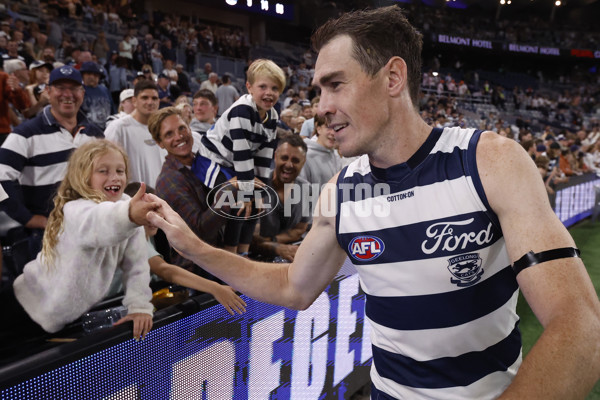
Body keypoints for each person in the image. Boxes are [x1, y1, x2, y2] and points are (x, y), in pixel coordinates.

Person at [146, 6, 600, 400]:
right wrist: (195, 247)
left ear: (393, 78)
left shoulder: (489, 162)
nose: (321, 106)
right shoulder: (342, 191)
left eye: (335, 84)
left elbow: (580, 323)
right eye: (319, 90)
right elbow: (293, 288)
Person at [2, 140, 156, 347]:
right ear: (83, 177)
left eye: (120, 170)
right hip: (22, 305)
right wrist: (130, 214)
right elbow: (101, 222)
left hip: (61, 318)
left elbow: (136, 266)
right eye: (103, 170)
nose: (115, 177)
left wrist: (139, 307)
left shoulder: (127, 210)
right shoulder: (77, 210)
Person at [0, 65, 103, 258]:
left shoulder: (95, 134)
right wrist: (28, 218)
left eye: (73, 88)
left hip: (90, 230)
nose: (67, 94)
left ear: (82, 92)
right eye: (60, 88)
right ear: (48, 91)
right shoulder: (25, 134)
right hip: (47, 237)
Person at [193, 59, 285, 255]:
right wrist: (246, 193)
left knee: (256, 204)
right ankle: (230, 258)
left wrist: (260, 193)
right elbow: (242, 154)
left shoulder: (274, 116)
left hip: (235, 164)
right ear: (249, 87)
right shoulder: (242, 110)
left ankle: (243, 255)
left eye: (275, 88)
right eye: (263, 86)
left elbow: (263, 158)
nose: (269, 93)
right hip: (212, 159)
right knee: (237, 201)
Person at [123, 182, 246, 316]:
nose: (154, 216)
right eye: (146, 211)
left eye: (156, 210)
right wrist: (215, 288)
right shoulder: (132, 236)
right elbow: (165, 270)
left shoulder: (154, 235)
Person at [148, 107, 231, 276]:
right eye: (169, 134)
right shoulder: (168, 181)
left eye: (181, 128)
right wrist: (231, 191)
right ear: (160, 143)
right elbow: (199, 232)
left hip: (225, 258)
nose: (179, 137)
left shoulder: (204, 160)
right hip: (200, 275)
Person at [251, 134, 310, 262]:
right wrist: (277, 248)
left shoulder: (306, 188)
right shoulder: (257, 187)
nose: (289, 165)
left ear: (303, 162)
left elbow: (300, 229)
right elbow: (250, 238)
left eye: (295, 160)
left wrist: (274, 242)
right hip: (256, 260)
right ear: (275, 157)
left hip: (291, 256)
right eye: (284, 158)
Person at [104, 80, 166, 187]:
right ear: (134, 101)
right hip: (132, 197)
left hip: (162, 196)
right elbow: (106, 165)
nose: (150, 102)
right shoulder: (118, 128)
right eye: (145, 98)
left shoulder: (164, 128)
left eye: (154, 98)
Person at [299, 114, 341, 198]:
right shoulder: (305, 156)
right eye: (328, 127)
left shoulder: (336, 156)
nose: (333, 133)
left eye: (336, 128)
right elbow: (301, 194)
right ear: (318, 129)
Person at [80, 61, 113, 130]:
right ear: (82, 75)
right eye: (88, 74)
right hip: (86, 131)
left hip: (106, 129)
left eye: (95, 75)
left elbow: (112, 110)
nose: (92, 77)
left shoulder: (105, 90)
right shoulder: (78, 90)